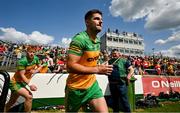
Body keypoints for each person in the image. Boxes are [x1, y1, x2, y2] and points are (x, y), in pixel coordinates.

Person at [65, 9, 113, 112]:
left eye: (101, 19)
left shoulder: (98, 40)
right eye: (96, 19)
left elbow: (89, 61)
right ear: (87, 22)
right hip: (75, 88)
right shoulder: (80, 39)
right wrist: (97, 70)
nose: (101, 22)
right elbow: (70, 66)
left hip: (92, 85)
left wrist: (101, 65)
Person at [4, 46, 44, 112]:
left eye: (34, 52)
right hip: (15, 83)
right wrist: (30, 85)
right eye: (30, 52)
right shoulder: (22, 61)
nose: (32, 54)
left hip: (22, 83)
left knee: (12, 102)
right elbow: (22, 75)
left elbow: (39, 67)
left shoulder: (36, 58)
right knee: (29, 97)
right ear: (26, 52)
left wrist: (35, 71)